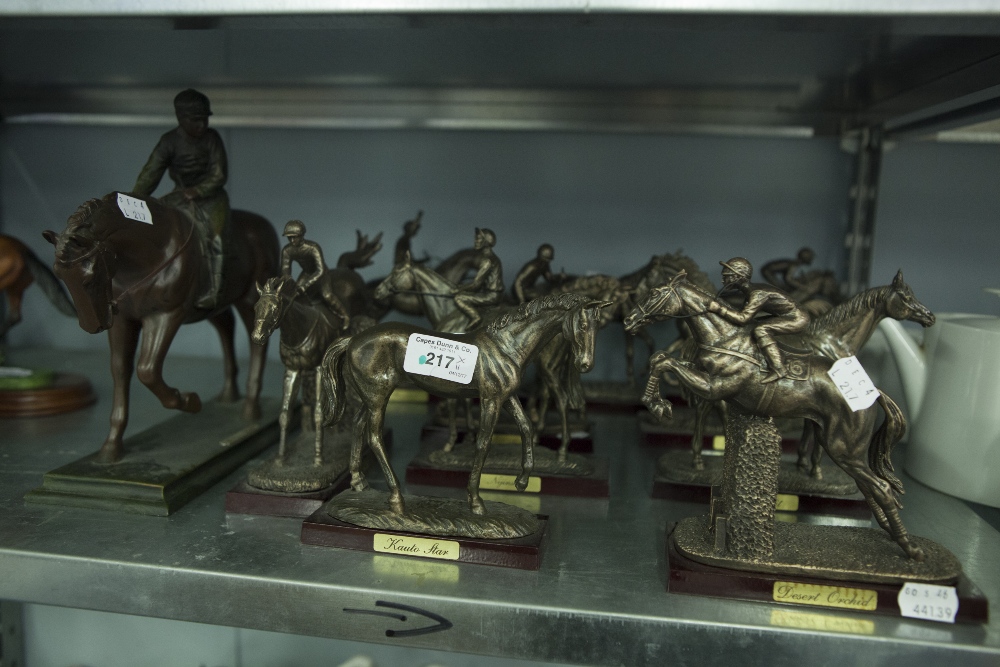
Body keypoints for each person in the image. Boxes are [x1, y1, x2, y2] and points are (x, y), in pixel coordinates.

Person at [133, 89, 229, 309]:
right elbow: (151, 173)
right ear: (180, 118)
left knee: (216, 238)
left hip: (211, 199)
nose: (202, 125)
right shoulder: (168, 142)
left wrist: (199, 190)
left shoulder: (212, 139)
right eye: (196, 120)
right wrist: (135, 198)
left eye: (204, 119)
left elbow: (219, 174)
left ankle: (214, 289)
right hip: (180, 196)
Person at [709, 257, 810, 383]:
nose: (723, 279)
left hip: (797, 318)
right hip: (786, 315)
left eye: (727, 276)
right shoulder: (750, 292)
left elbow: (742, 318)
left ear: (738, 277)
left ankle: (779, 368)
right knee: (753, 325)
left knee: (761, 329)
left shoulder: (757, 294)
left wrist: (719, 309)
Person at [280, 220, 350, 329]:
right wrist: (287, 285)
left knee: (327, 295)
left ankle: (345, 316)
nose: (292, 240)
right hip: (307, 273)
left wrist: (305, 286)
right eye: (289, 237)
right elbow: (285, 271)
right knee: (295, 297)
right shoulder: (287, 250)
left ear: (301, 236)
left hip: (321, 273)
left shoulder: (313, 247)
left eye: (295, 237)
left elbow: (320, 270)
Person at [453, 228, 504, 329]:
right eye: (476, 238)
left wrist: (458, 289)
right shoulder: (492, 258)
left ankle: (475, 317)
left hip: (491, 296)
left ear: (486, 242)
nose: (475, 241)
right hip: (492, 293)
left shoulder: (487, 261)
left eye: (479, 239)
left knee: (459, 298)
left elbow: (476, 285)